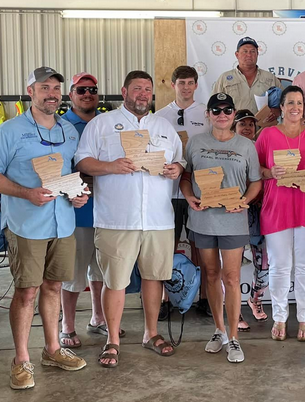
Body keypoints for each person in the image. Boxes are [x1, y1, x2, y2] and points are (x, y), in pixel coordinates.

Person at [0, 67, 89, 389]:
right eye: (44, 88)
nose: (51, 94)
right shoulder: (9, 131)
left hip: (63, 223)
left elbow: (70, 175)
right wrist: (26, 193)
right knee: (27, 291)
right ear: (31, 92)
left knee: (54, 287)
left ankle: (52, 349)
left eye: (55, 88)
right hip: (26, 225)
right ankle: (21, 359)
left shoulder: (69, 131)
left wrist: (78, 194)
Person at [75, 70, 184, 367]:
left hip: (158, 219)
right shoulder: (101, 124)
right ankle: (112, 340)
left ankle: (151, 333)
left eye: (147, 89)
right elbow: (82, 160)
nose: (143, 94)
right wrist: (110, 166)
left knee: (154, 277)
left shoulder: (163, 126)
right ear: (124, 92)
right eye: (137, 88)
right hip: (116, 219)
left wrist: (177, 169)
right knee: (115, 281)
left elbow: (179, 161)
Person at [180, 93, 262, 363]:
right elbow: (186, 176)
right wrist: (189, 196)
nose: (222, 114)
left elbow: (256, 181)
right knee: (212, 274)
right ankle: (219, 331)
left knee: (232, 277)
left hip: (233, 221)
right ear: (208, 114)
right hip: (203, 220)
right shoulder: (196, 142)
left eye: (227, 110)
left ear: (234, 114)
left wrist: (245, 201)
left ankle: (234, 337)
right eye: (216, 110)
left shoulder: (247, 145)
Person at [255, 85, 305, 342]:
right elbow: (256, 168)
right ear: (282, 107)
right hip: (277, 207)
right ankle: (279, 317)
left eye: (299, 103)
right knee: (279, 266)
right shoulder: (267, 134)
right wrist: (270, 173)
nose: (295, 107)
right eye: (290, 103)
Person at [58, 72, 125, 348]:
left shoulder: (109, 124)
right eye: (81, 90)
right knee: (73, 273)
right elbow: (59, 167)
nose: (88, 94)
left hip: (108, 210)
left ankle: (98, 318)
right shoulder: (61, 127)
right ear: (71, 95)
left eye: (92, 90)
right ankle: (67, 326)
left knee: (102, 272)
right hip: (76, 211)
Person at [155, 65, 211, 319]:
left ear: (196, 85)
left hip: (199, 191)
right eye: (181, 83)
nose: (186, 87)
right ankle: (166, 299)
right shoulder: (160, 117)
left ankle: (205, 297)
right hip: (167, 192)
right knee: (167, 247)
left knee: (202, 247)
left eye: (190, 83)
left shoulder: (207, 114)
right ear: (173, 85)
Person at [232, 109, 269, 330]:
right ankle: (234, 310)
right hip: (232, 212)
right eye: (242, 124)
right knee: (232, 265)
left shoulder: (261, 148)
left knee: (264, 264)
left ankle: (255, 298)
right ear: (234, 127)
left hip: (258, 211)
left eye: (250, 124)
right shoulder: (227, 148)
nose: (247, 128)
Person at [213, 36, 282, 122]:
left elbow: (285, 103)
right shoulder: (224, 79)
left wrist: (277, 111)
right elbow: (214, 105)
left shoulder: (270, 78)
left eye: (252, 51)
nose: (249, 55)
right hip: (234, 128)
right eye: (245, 51)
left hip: (263, 128)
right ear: (237, 55)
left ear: (257, 54)